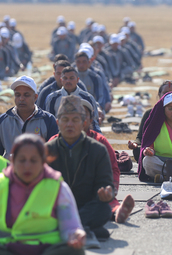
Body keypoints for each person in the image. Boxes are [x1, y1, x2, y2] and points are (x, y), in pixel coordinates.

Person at [0, 133, 85, 255]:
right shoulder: (1, 184)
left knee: (74, 251)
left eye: (33, 160)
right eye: (22, 160)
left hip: (47, 249)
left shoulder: (58, 186)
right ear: (12, 160)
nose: (27, 166)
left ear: (44, 161)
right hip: (7, 248)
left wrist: (76, 235)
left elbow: (71, 226)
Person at [46, 95, 114, 241]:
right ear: (58, 122)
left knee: (103, 210)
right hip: (56, 207)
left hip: (87, 206)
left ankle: (67, 229)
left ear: (84, 122)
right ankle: (85, 229)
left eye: (75, 119)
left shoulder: (98, 150)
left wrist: (107, 193)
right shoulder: (48, 150)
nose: (70, 124)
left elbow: (105, 182)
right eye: (65, 119)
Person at [0, 76, 58, 159]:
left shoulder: (48, 120)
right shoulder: (3, 121)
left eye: (26, 95)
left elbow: (53, 154)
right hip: (10, 171)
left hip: (38, 171)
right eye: (17, 95)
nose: (21, 98)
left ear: (35, 97)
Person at [128, 80, 172, 162]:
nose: (169, 96)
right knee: (140, 152)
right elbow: (140, 137)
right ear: (159, 95)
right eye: (165, 93)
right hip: (156, 155)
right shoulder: (150, 113)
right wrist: (136, 144)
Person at [45, 66, 102, 133]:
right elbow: (49, 123)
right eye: (65, 78)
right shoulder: (52, 98)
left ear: (77, 80)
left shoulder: (88, 98)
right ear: (61, 80)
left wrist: (98, 138)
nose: (68, 81)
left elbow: (94, 123)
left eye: (71, 78)